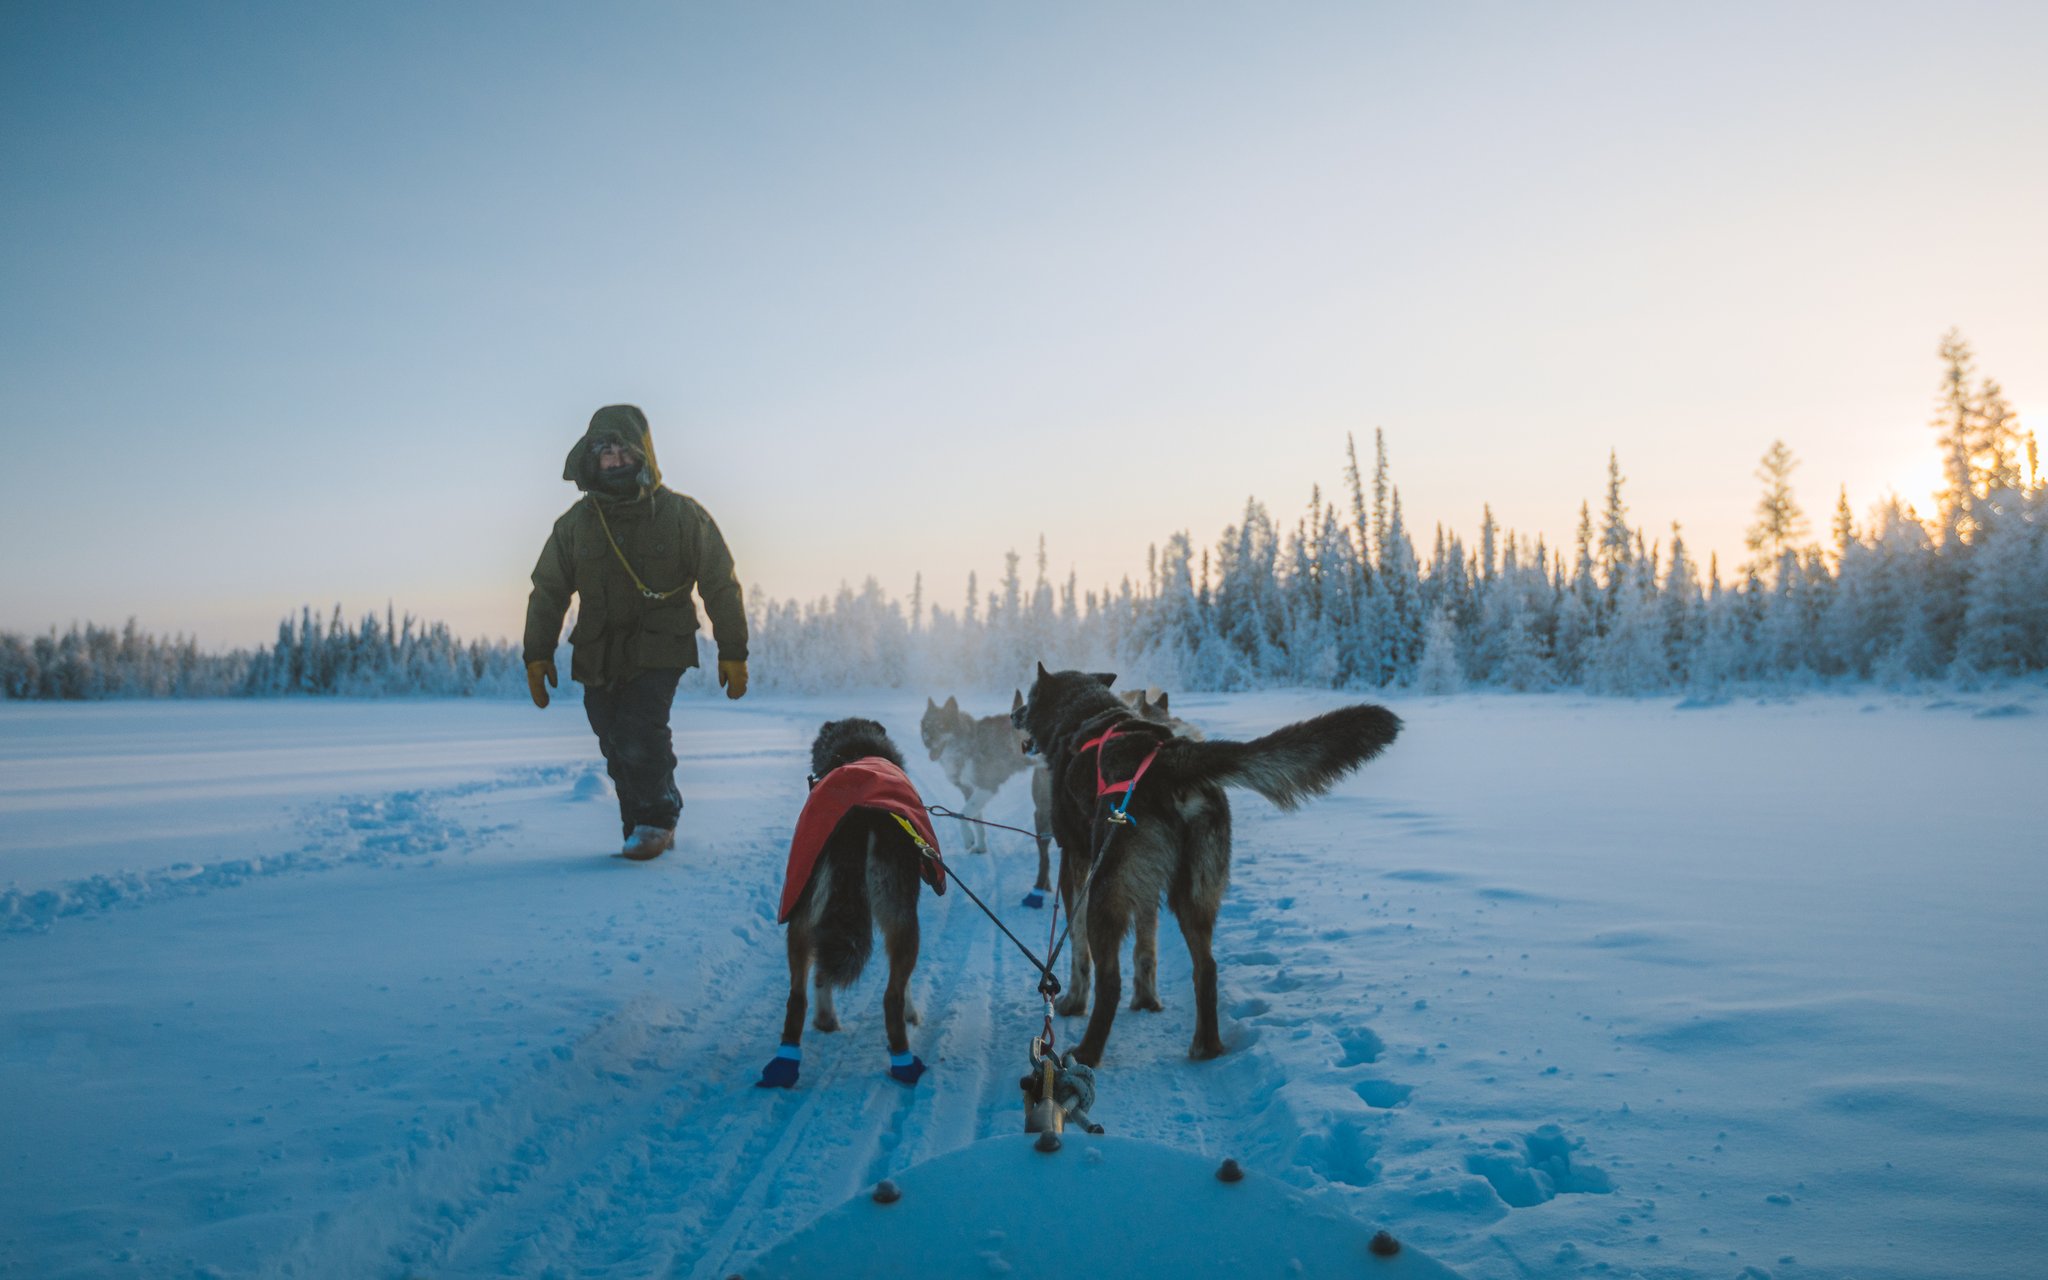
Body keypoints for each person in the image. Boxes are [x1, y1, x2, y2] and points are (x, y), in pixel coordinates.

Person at [524, 404, 749, 860]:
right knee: (610, 735)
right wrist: (537, 653)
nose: (614, 459)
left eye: (623, 448)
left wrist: (734, 650)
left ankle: (656, 821)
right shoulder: (575, 525)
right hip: (598, 651)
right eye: (604, 450)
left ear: (642, 452)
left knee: (639, 728)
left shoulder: (682, 516)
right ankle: (639, 824)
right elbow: (548, 590)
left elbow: (720, 582)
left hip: (660, 646)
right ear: (592, 458)